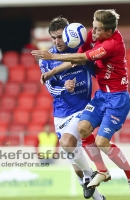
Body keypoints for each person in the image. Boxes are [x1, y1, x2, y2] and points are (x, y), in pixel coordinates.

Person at [31, 10, 130, 200]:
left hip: (115, 98)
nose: (93, 33)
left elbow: (81, 58)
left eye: (98, 29)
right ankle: (100, 173)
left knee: (100, 142)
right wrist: (52, 72)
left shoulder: (111, 44)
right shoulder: (91, 36)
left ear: (108, 31)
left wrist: (54, 60)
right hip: (98, 97)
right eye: (93, 26)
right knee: (82, 138)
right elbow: (63, 73)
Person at [38, 16, 105, 200]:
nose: (57, 41)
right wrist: (63, 87)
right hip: (60, 114)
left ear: (68, 34)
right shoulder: (46, 59)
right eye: (53, 37)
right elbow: (50, 86)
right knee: (78, 170)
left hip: (83, 108)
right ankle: (99, 197)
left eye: (60, 36)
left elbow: (85, 61)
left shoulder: (81, 50)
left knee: (67, 143)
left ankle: (91, 173)